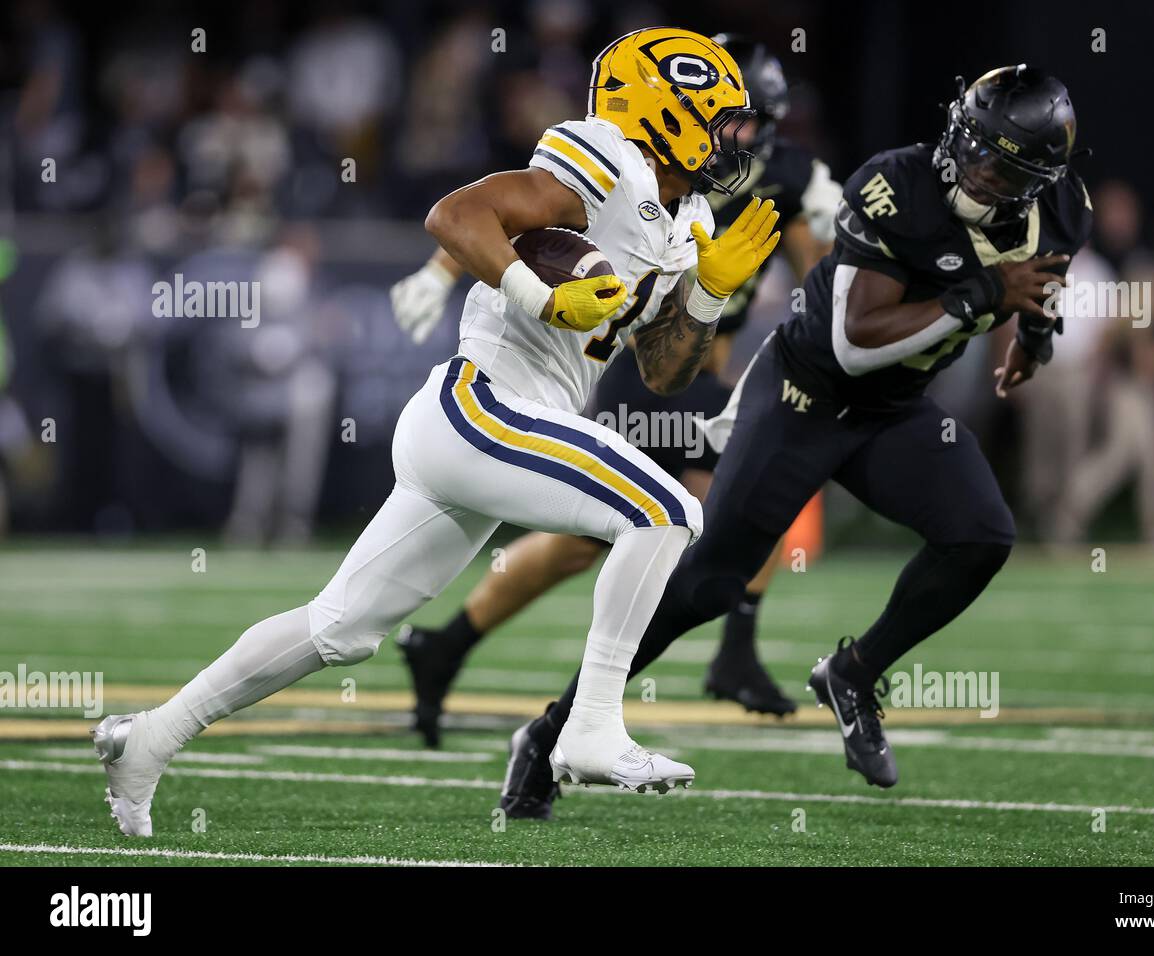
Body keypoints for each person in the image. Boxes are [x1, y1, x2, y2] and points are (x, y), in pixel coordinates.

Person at [91, 27, 780, 836]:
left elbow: (665, 371)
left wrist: (705, 296)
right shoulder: (607, 157)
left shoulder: (686, 215)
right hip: (481, 405)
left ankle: (150, 739)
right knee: (666, 510)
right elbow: (456, 215)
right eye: (718, 117)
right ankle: (591, 725)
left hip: (492, 432)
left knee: (339, 629)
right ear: (663, 110)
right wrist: (542, 297)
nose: (735, 138)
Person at [498, 64, 1092, 819]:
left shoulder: (1062, 209)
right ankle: (551, 732)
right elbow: (853, 340)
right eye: (972, 145)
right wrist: (983, 296)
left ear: (1035, 180)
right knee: (707, 584)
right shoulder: (894, 187)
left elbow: (1044, 275)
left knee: (981, 534)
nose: (974, 167)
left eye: (999, 164)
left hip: (895, 408)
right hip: (806, 391)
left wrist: (1036, 334)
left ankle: (853, 672)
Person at [388, 35, 839, 746]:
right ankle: (638, 687)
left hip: (693, 367)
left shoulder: (776, 177)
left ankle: (452, 648)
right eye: (727, 121)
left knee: (702, 501)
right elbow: (527, 214)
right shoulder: (629, 165)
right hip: (635, 359)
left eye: (749, 122)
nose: (741, 136)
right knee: (635, 524)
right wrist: (444, 274)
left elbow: (824, 269)